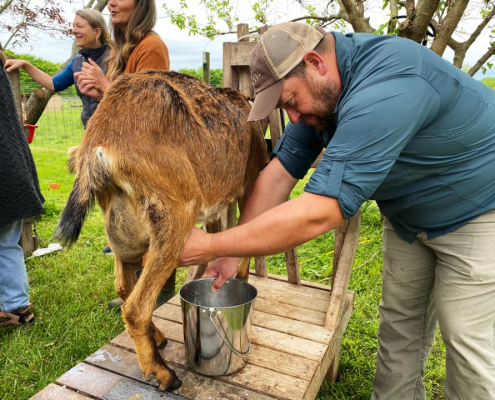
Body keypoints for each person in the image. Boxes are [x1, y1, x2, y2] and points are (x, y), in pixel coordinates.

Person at [178, 22, 495, 400]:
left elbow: (320, 212)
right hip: (409, 217)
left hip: (478, 209)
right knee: (399, 330)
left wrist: (210, 243)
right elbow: (278, 176)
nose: (292, 117)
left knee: (466, 342)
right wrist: (230, 254)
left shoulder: (389, 83)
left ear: (315, 62)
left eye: (291, 101)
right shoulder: (324, 92)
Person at [75, 0, 171, 306]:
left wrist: (107, 87)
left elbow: (149, 110)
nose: (112, 2)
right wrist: (101, 92)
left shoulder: (151, 47)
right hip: (125, 151)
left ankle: (160, 292)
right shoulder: (121, 49)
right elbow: (117, 103)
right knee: (127, 221)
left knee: (154, 225)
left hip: (148, 154)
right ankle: (134, 290)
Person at [4, 9, 110, 128]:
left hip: (120, 132)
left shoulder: (117, 58)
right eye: (73, 26)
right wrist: (25, 65)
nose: (74, 31)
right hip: (91, 131)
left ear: (97, 32)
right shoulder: (77, 61)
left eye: (79, 26)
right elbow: (53, 84)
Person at [0, 49, 45, 326]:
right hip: (12, 166)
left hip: (5, 170)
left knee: (5, 242)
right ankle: (17, 307)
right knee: (6, 243)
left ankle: (15, 308)